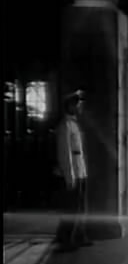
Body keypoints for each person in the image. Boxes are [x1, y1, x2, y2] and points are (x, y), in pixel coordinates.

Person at [54, 90, 92, 251]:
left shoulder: (74, 124)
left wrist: (82, 173)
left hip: (80, 172)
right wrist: (70, 176)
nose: (80, 107)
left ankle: (79, 236)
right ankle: (66, 240)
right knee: (72, 209)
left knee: (80, 207)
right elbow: (65, 154)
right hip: (72, 173)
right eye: (78, 104)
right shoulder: (65, 126)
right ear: (70, 106)